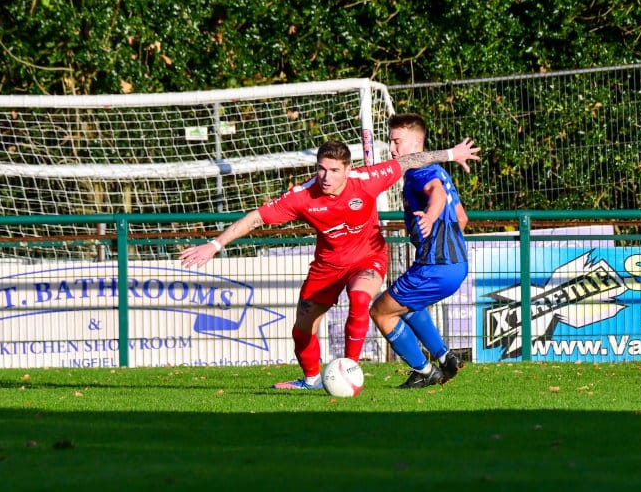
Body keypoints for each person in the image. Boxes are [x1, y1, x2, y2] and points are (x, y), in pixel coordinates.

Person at [179, 138, 480, 390]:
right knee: (302, 328)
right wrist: (215, 245)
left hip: (368, 258)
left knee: (360, 298)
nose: (326, 176)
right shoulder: (302, 196)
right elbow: (256, 217)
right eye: (321, 168)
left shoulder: (367, 179)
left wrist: (451, 154)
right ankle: (311, 380)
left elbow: (410, 160)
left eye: (334, 170)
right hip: (327, 266)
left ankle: (349, 370)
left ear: (348, 169)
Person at [369, 113, 470, 388]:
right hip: (457, 265)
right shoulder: (439, 170)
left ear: (416, 143)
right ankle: (446, 357)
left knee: (380, 312)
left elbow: (436, 193)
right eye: (390, 141)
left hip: (435, 266)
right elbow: (462, 218)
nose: (392, 148)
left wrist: (430, 217)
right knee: (408, 304)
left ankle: (424, 371)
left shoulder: (418, 172)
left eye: (397, 141)